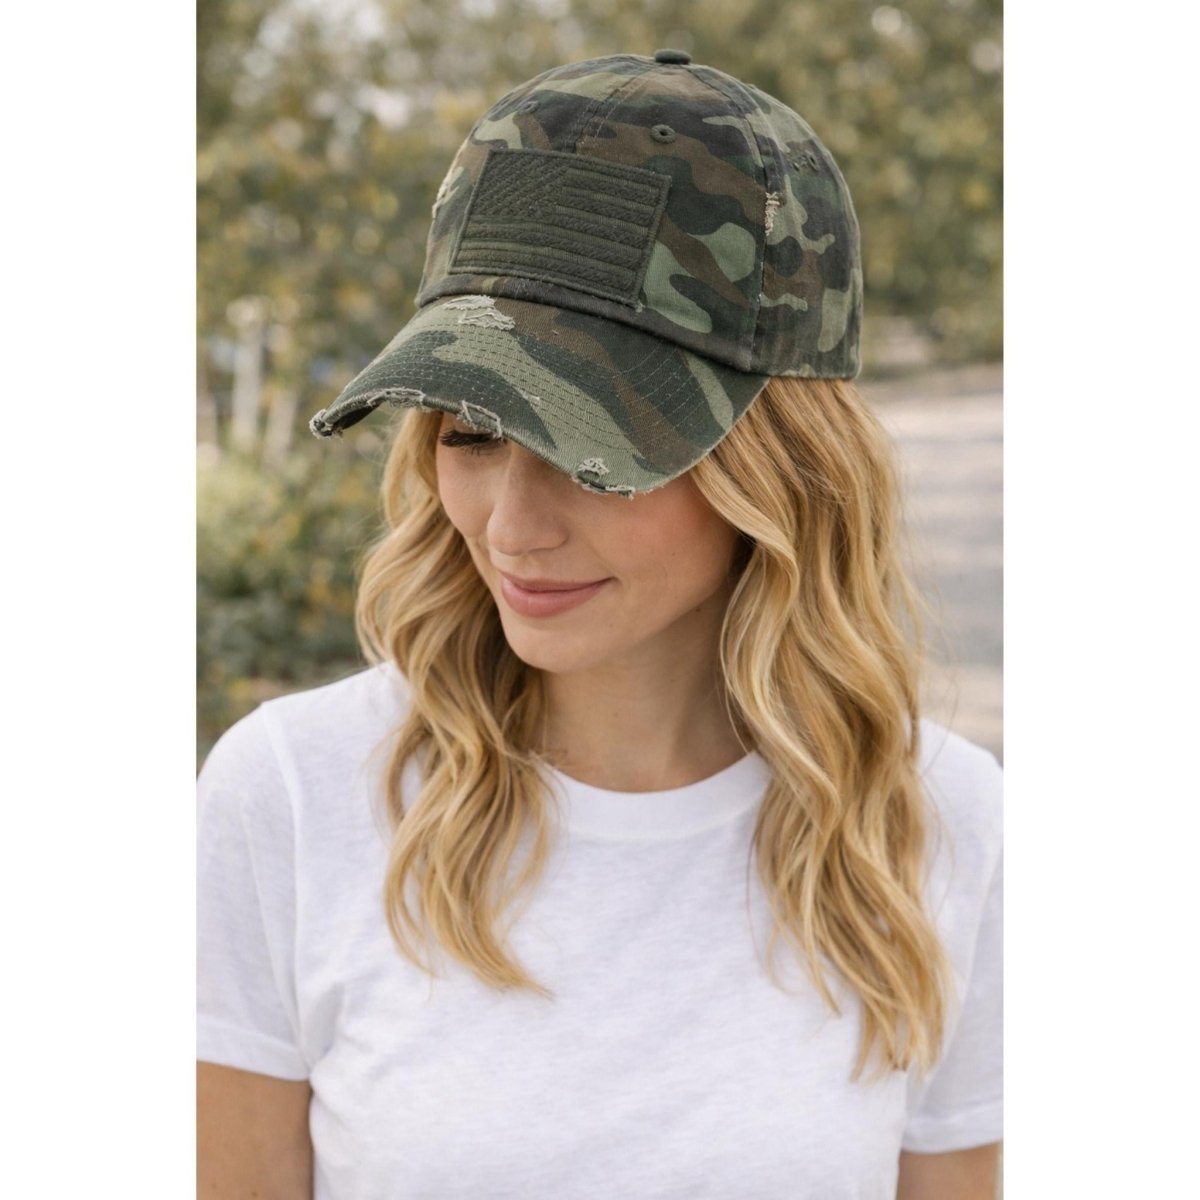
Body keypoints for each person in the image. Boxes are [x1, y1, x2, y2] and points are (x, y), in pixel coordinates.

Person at [197, 50, 1002, 1199]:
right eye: (469, 431)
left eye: (598, 448)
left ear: (779, 464)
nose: (511, 527)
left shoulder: (937, 830)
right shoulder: (291, 796)